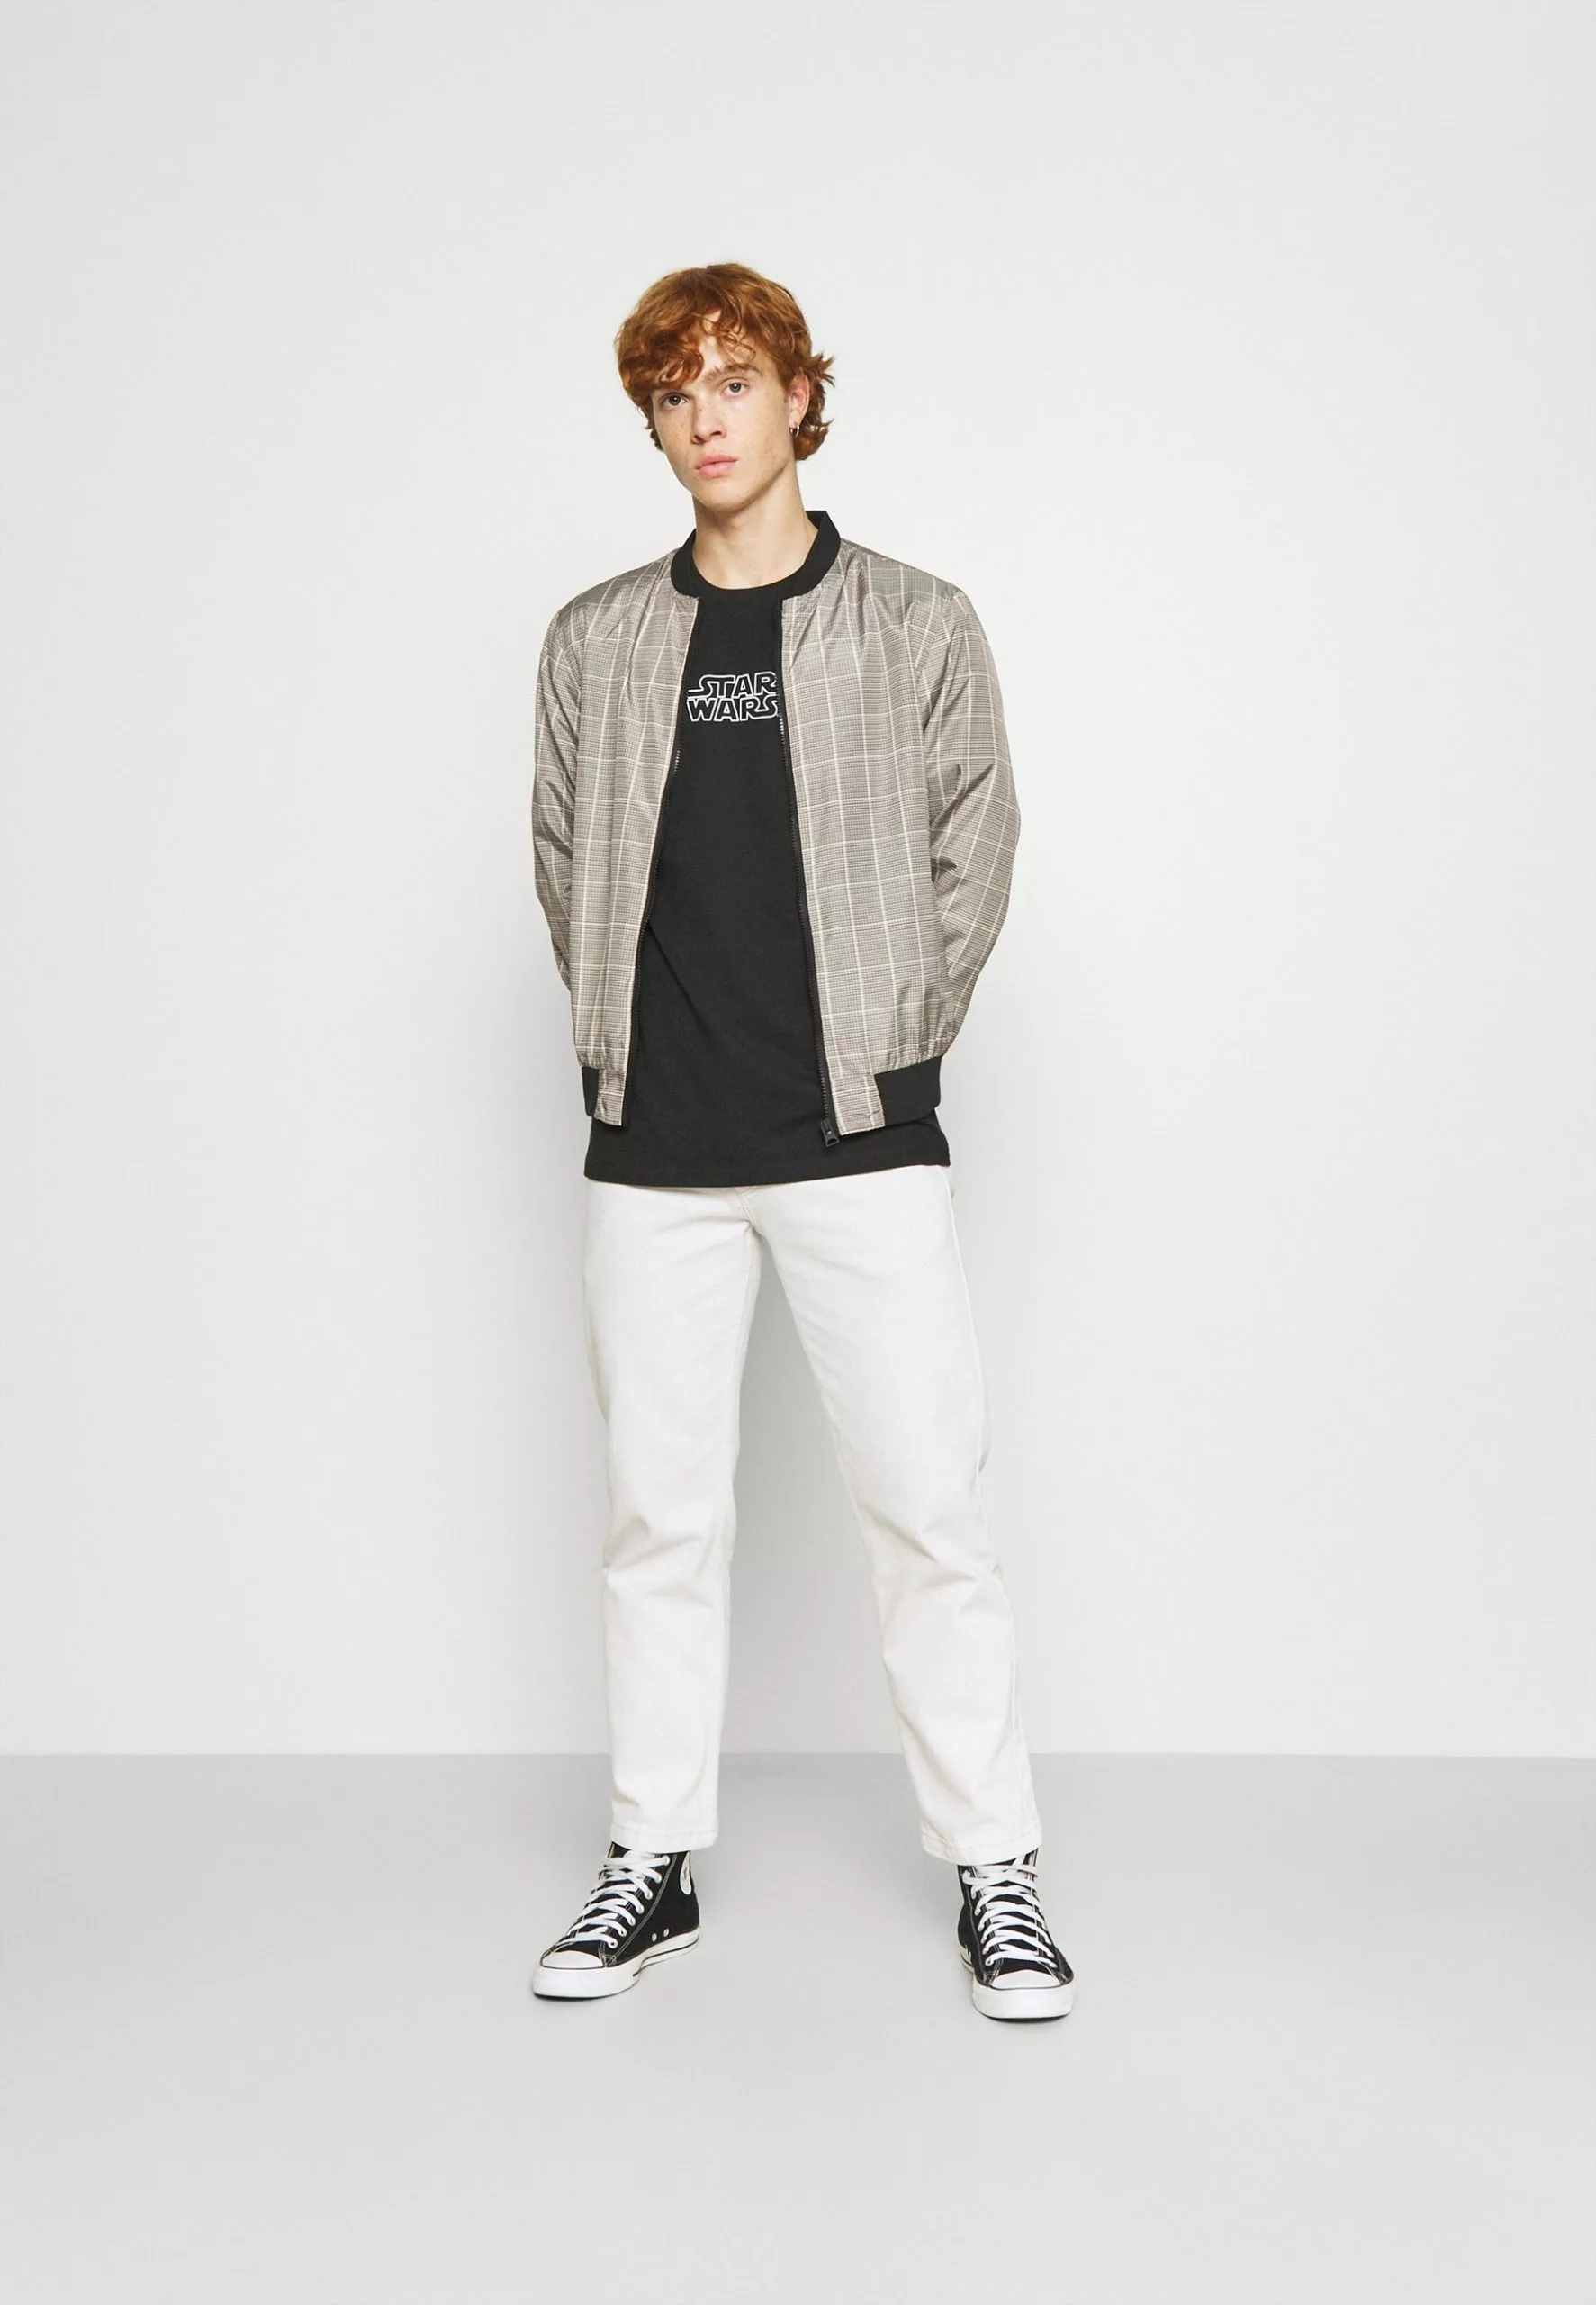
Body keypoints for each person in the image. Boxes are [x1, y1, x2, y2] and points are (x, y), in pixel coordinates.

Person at [527, 262, 1074, 2021]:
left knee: (928, 1510)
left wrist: (895, 1041)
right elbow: (563, 857)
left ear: (796, 400)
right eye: (673, 393)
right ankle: (653, 1860)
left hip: (855, 1137)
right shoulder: (597, 639)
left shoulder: (913, 620)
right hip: (654, 1149)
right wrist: (620, 1046)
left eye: (734, 382)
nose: (704, 418)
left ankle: (996, 1868)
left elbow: (976, 845)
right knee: (657, 1523)